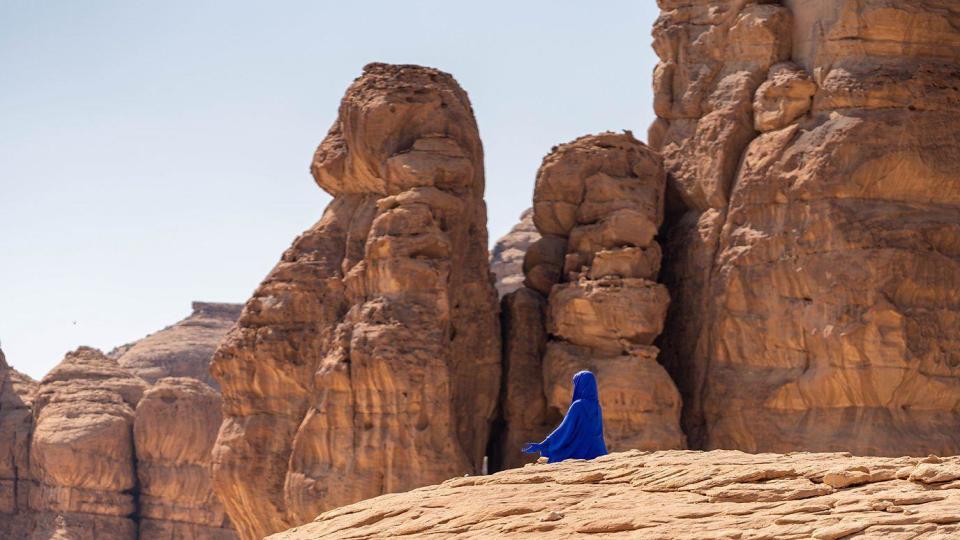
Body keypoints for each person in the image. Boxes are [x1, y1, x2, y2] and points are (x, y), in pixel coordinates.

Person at [522, 370, 608, 463]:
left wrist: (543, 445)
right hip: (598, 451)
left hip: (581, 451)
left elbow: (565, 429)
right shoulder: (597, 406)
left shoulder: (578, 405)